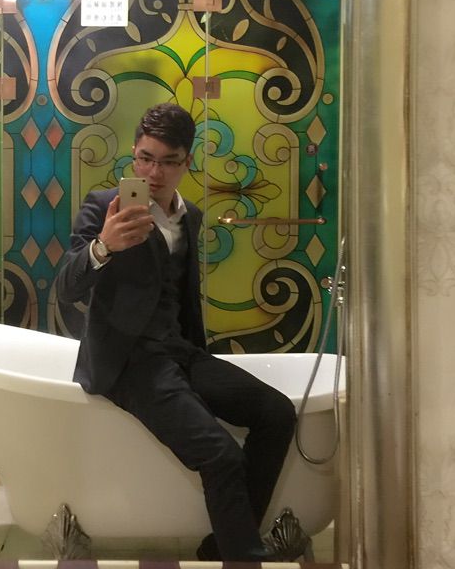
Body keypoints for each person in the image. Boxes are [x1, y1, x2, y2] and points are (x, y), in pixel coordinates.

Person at [55, 102, 296, 561]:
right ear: (134, 153)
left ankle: (223, 544)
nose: (153, 173)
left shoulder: (190, 215)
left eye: (168, 162)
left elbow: (182, 296)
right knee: (220, 454)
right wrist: (103, 246)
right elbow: (67, 287)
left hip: (179, 352)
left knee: (277, 413)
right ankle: (243, 557)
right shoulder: (104, 208)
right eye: (145, 158)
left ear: (187, 162)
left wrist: (194, 361)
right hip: (129, 361)